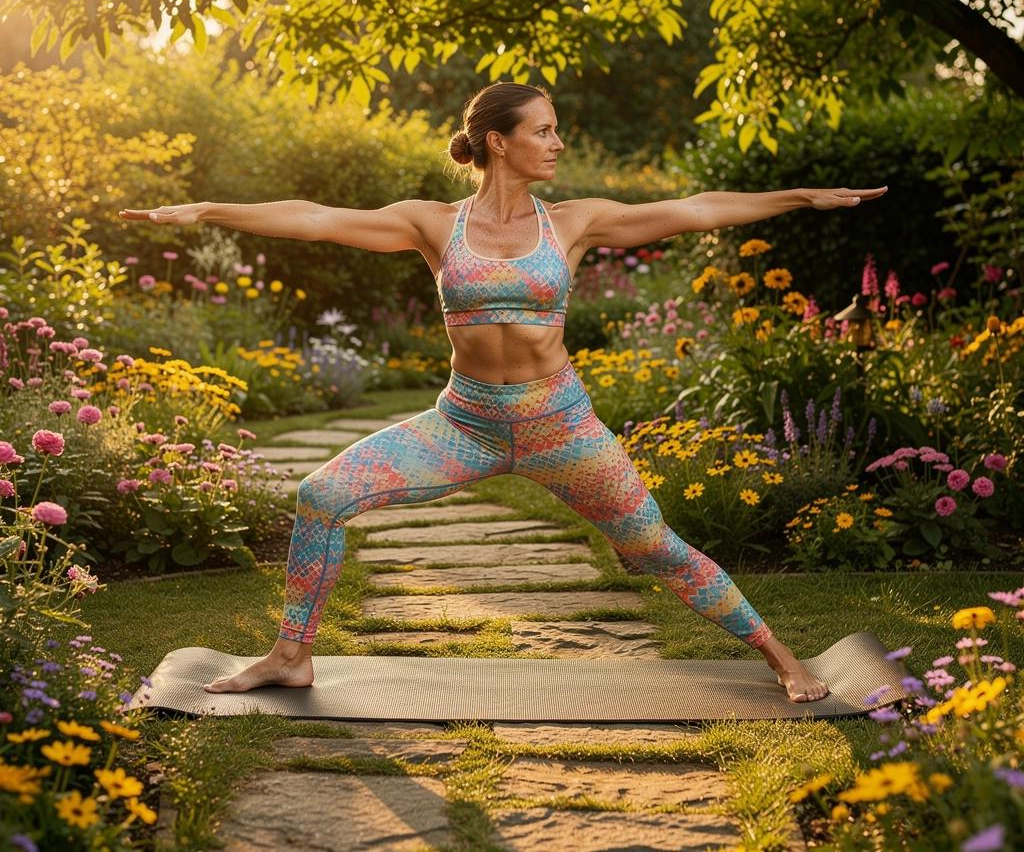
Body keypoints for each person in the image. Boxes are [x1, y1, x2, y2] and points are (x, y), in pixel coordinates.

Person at [119, 81, 888, 702]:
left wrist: (799, 196)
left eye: (556, 131)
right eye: (543, 130)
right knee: (321, 495)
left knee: (655, 548)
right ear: (498, 140)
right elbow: (316, 219)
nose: (557, 143)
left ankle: (781, 656)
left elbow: (694, 210)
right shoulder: (433, 224)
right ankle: (291, 656)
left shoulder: (575, 222)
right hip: (465, 424)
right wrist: (208, 210)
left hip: (562, 427)